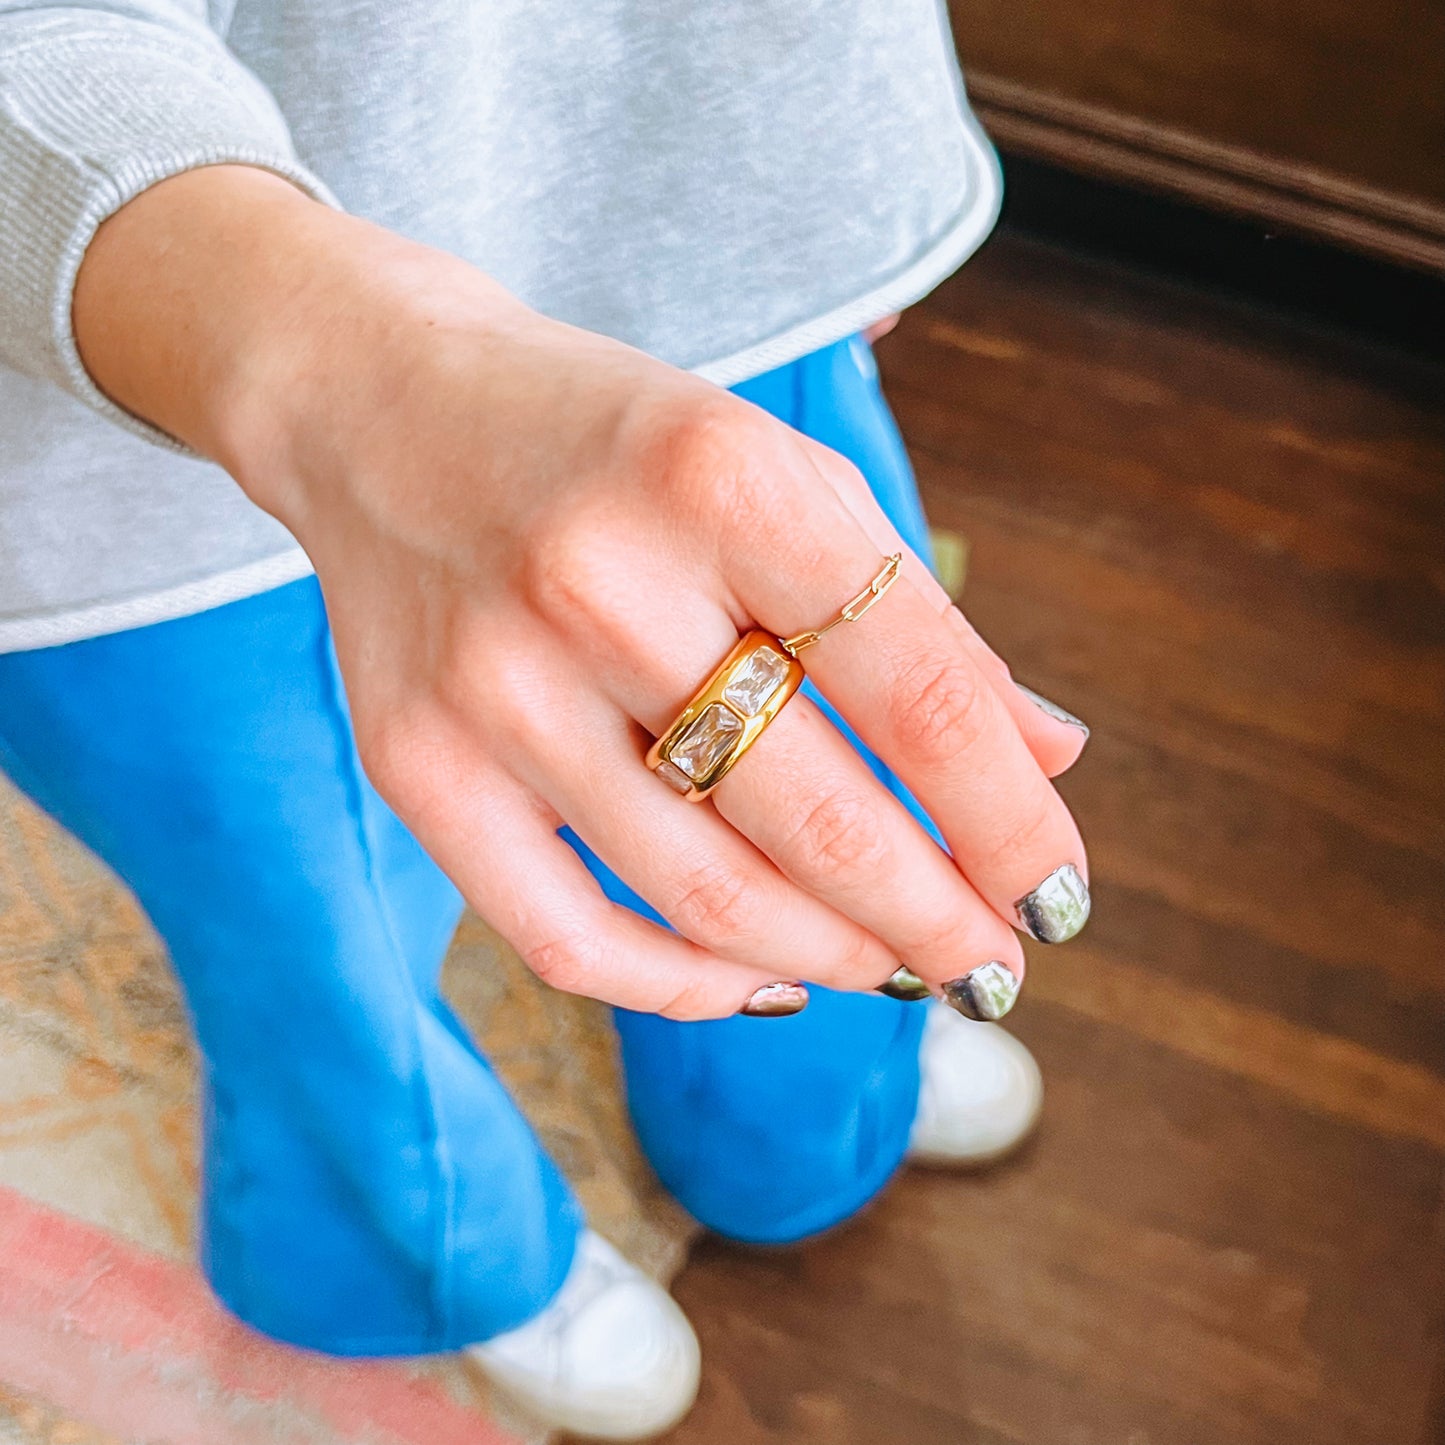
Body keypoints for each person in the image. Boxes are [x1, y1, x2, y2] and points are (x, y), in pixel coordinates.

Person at [0, 2, 1091, 1437]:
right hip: (158, 395)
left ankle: (812, 1093)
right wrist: (350, 372)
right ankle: (462, 1253)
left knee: (826, 779)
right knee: (311, 931)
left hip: (699, 218)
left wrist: (845, 132)